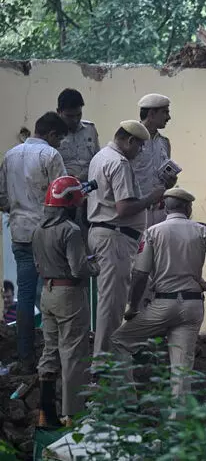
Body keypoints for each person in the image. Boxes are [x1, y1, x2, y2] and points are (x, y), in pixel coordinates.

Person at [110, 188, 206, 398]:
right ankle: (179, 424)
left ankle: (128, 402)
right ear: (188, 207)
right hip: (193, 305)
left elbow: (140, 274)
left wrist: (133, 307)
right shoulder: (201, 230)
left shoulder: (153, 232)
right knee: (181, 371)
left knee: (119, 341)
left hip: (163, 304)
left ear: (165, 208)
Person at [87, 120, 173, 359]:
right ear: (129, 141)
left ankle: (107, 363)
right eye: (140, 146)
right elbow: (124, 208)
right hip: (115, 236)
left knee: (109, 303)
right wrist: (152, 197)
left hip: (105, 233)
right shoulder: (119, 163)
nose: (141, 151)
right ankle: (105, 368)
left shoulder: (100, 156)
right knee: (112, 307)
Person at [0, 111, 68, 371]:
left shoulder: (10, 155)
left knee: (26, 297)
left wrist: (17, 210)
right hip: (48, 234)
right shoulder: (51, 155)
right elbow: (62, 195)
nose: (60, 143)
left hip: (19, 233)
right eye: (59, 138)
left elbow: (2, 196)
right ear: (51, 134)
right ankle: (57, 357)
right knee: (54, 294)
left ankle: (25, 357)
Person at [33, 176, 99, 428]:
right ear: (70, 202)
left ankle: (45, 414)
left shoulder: (39, 229)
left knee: (50, 351)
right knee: (73, 353)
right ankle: (72, 415)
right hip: (69, 296)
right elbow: (78, 269)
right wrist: (96, 266)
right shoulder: (69, 230)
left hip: (47, 293)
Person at [133, 94, 175, 228]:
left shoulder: (164, 142)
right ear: (151, 114)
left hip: (159, 210)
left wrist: (170, 181)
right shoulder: (131, 140)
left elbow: (164, 178)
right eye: (165, 112)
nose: (168, 117)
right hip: (136, 210)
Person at [56, 88, 100, 183]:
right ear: (58, 112)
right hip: (63, 188)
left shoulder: (90, 129)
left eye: (78, 115)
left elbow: (97, 159)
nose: (75, 120)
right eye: (70, 116)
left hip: (90, 185)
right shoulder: (53, 134)